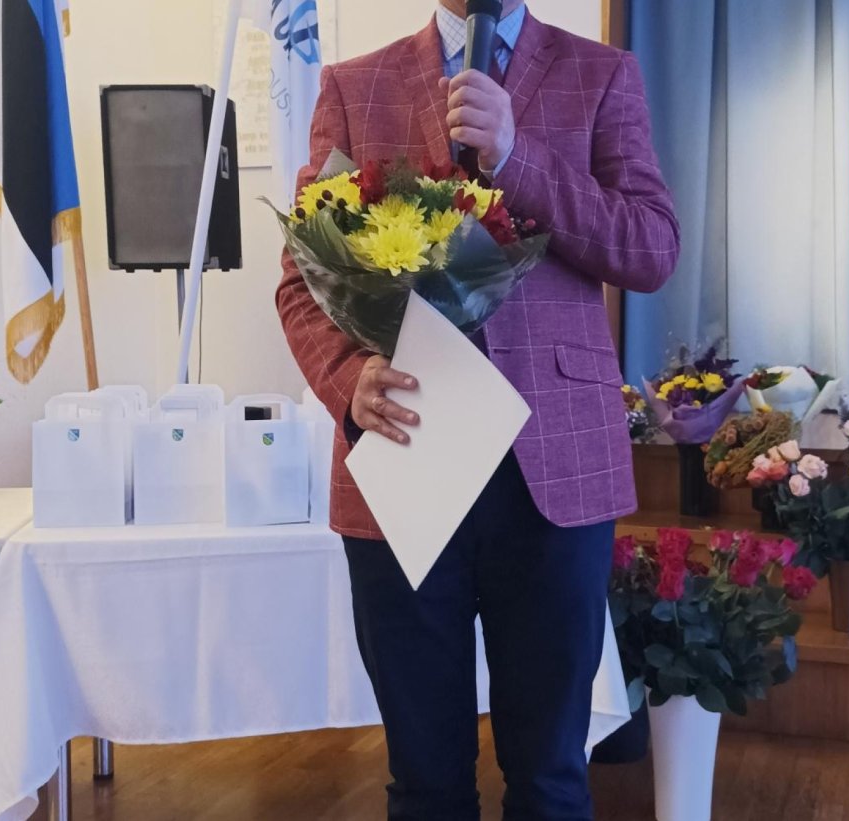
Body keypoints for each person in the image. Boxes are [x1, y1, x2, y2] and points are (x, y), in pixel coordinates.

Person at [276, 2, 679, 818]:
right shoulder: (355, 85)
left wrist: (518, 156)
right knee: (424, 782)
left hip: (554, 470)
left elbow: (650, 248)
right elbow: (300, 280)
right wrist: (347, 376)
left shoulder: (602, 74)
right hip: (404, 460)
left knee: (551, 779)